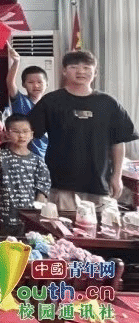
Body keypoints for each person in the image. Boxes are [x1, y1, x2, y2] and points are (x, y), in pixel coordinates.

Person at [29, 50, 138, 211]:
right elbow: (28, 134)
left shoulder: (108, 103)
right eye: (74, 67)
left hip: (99, 184)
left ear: (95, 72)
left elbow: (118, 142)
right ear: (64, 71)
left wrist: (117, 176)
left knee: (100, 226)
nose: (81, 71)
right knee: (62, 226)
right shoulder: (51, 101)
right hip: (61, 184)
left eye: (87, 67)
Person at [0, 114, 51, 236]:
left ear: (31, 135)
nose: (21, 136)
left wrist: (36, 213)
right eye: (16, 131)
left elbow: (43, 188)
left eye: (25, 131)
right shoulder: (0, 157)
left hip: (28, 220)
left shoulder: (38, 161)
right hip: (3, 218)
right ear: (7, 134)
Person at [6, 45, 49, 157]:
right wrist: (16, 62)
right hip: (20, 154)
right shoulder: (20, 100)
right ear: (24, 84)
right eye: (31, 82)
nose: (36, 85)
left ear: (46, 84)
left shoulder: (50, 104)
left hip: (44, 155)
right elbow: (10, 82)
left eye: (40, 82)